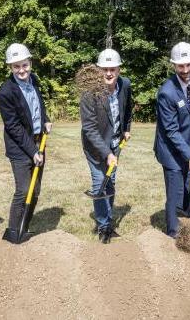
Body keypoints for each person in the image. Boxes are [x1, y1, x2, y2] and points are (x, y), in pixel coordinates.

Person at [0, 43, 52, 244]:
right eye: (16, 67)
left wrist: (45, 119)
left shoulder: (35, 80)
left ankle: (25, 227)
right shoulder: (6, 92)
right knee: (23, 189)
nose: (22, 70)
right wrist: (32, 151)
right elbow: (13, 127)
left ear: (30, 62)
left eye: (25, 65)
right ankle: (13, 231)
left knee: (35, 190)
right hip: (20, 148)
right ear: (10, 67)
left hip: (40, 142)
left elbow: (39, 105)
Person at [80, 48, 132, 244]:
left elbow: (128, 108)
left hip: (115, 143)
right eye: (105, 69)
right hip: (95, 147)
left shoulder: (125, 85)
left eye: (113, 69)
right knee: (99, 183)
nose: (109, 73)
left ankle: (108, 223)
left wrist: (126, 128)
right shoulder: (89, 94)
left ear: (119, 69)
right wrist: (106, 153)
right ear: (98, 70)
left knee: (110, 183)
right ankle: (103, 227)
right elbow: (90, 129)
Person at [154, 41, 190, 238]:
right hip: (171, 151)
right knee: (175, 193)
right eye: (181, 66)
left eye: (189, 65)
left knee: (187, 186)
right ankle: (174, 234)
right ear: (174, 66)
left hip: (186, 145)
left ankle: (186, 224)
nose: (185, 70)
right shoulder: (166, 93)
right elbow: (171, 131)